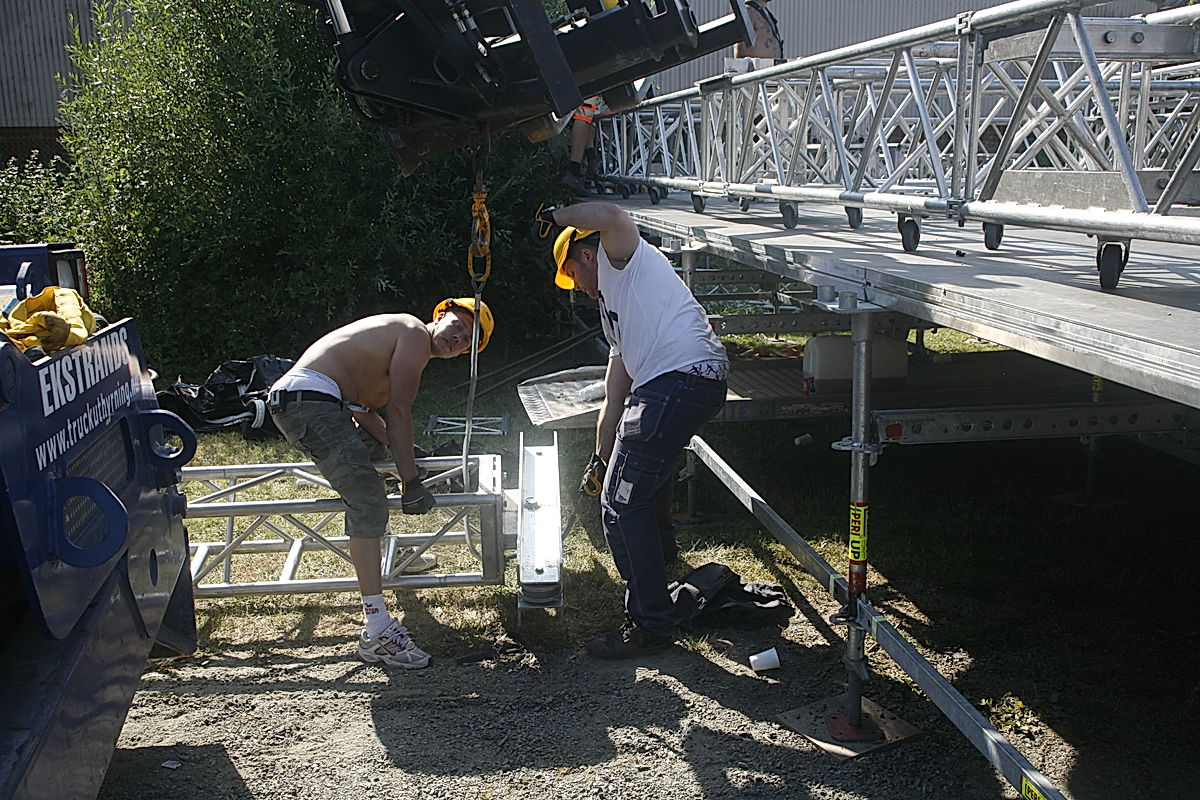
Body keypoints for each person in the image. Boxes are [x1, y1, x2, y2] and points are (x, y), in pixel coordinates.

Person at [542, 202, 729, 659]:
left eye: (572, 275)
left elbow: (613, 215)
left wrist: (556, 214)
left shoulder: (621, 260)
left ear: (586, 255)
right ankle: (659, 572)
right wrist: (602, 457)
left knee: (621, 506)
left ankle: (649, 625)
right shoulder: (613, 311)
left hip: (678, 377)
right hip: (683, 383)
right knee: (635, 486)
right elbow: (614, 396)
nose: (577, 289)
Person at [268, 298, 494, 669]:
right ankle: (376, 630)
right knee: (368, 501)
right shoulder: (414, 333)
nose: (459, 337)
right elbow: (400, 411)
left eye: (468, 340)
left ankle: (386, 548)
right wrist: (411, 480)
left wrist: (402, 449)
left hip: (311, 398)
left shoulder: (390, 354)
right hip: (311, 400)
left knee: (374, 459)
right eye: (458, 325)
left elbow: (367, 413)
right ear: (439, 316)